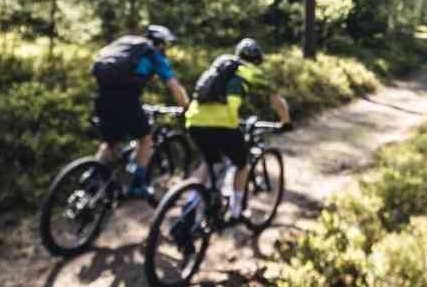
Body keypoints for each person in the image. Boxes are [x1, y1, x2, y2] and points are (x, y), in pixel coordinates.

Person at [184, 37, 291, 220]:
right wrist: (286, 121)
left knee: (210, 162)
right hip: (223, 123)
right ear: (257, 60)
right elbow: (276, 99)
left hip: (194, 120)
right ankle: (237, 211)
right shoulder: (251, 72)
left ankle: (189, 204)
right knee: (242, 164)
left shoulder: (219, 67)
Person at [90, 24, 190, 200]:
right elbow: (174, 87)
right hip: (126, 99)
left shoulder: (126, 43)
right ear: (161, 43)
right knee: (145, 139)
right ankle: (137, 186)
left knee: (110, 142)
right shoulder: (154, 54)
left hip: (102, 95)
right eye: (166, 45)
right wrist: (187, 108)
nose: (166, 49)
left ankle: (90, 179)